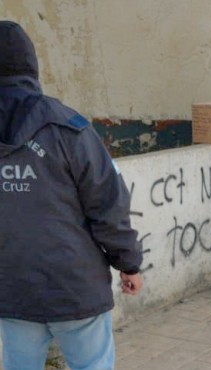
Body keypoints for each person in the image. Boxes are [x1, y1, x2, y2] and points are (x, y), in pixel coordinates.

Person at [0, 21, 143, 369]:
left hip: (13, 289)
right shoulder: (68, 127)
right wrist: (129, 263)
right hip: (75, 288)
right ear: (32, 66)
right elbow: (108, 203)